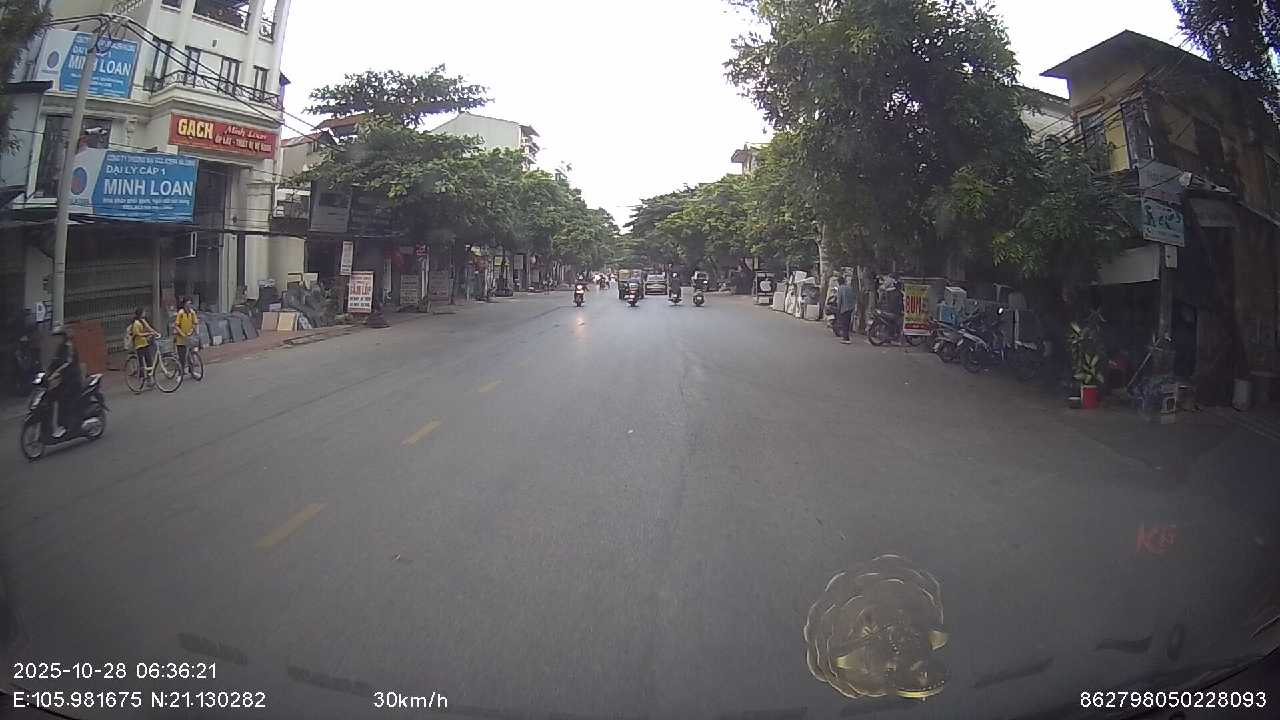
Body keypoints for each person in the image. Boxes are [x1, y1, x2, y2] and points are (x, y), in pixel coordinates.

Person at [45, 325, 83, 438]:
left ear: (64, 336)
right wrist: (47, 374)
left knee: (63, 399)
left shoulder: (69, 346)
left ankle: (65, 425)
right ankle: (49, 427)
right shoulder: (60, 348)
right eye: (55, 337)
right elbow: (54, 363)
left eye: (59, 336)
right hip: (64, 380)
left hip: (73, 379)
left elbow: (68, 363)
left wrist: (56, 373)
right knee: (49, 397)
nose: (57, 339)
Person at [128, 307, 159, 385]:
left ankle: (149, 378)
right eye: (144, 312)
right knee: (141, 362)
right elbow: (137, 333)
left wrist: (155, 333)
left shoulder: (143, 321)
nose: (145, 313)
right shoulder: (136, 323)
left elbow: (149, 328)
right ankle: (141, 378)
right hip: (139, 345)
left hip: (145, 343)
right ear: (140, 313)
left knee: (149, 361)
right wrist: (148, 334)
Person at [173, 298, 198, 375]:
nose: (189, 306)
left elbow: (195, 323)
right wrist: (182, 334)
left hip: (189, 337)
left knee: (191, 354)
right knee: (182, 357)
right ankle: (180, 373)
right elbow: (176, 326)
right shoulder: (180, 313)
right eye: (188, 304)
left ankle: (192, 371)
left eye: (190, 304)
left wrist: (192, 331)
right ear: (184, 305)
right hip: (181, 338)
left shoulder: (192, 312)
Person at [835, 275, 857, 344]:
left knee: (844, 324)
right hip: (851, 307)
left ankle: (846, 339)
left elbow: (839, 300)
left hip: (844, 308)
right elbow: (854, 297)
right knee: (847, 323)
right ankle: (846, 337)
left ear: (839, 282)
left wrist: (838, 309)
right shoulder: (849, 287)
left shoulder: (840, 288)